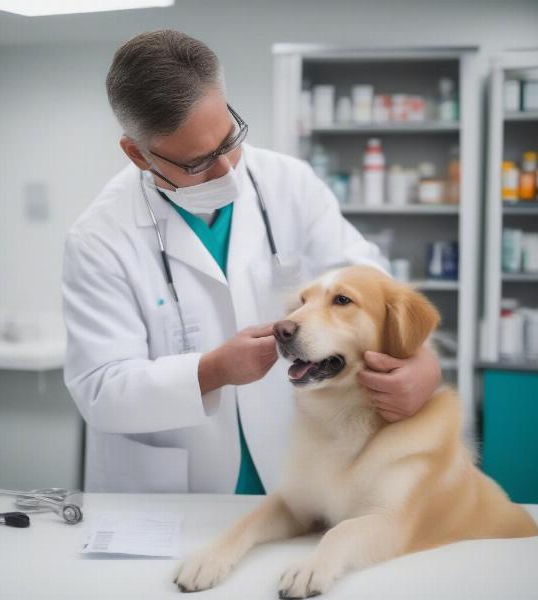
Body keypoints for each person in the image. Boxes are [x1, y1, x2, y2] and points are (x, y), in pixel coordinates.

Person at [61, 30, 441, 494]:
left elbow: (368, 281)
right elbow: (101, 392)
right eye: (198, 163)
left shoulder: (289, 183)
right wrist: (214, 370)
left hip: (294, 462)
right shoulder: (100, 237)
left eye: (229, 140)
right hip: (173, 492)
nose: (226, 170)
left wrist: (422, 362)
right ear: (137, 153)